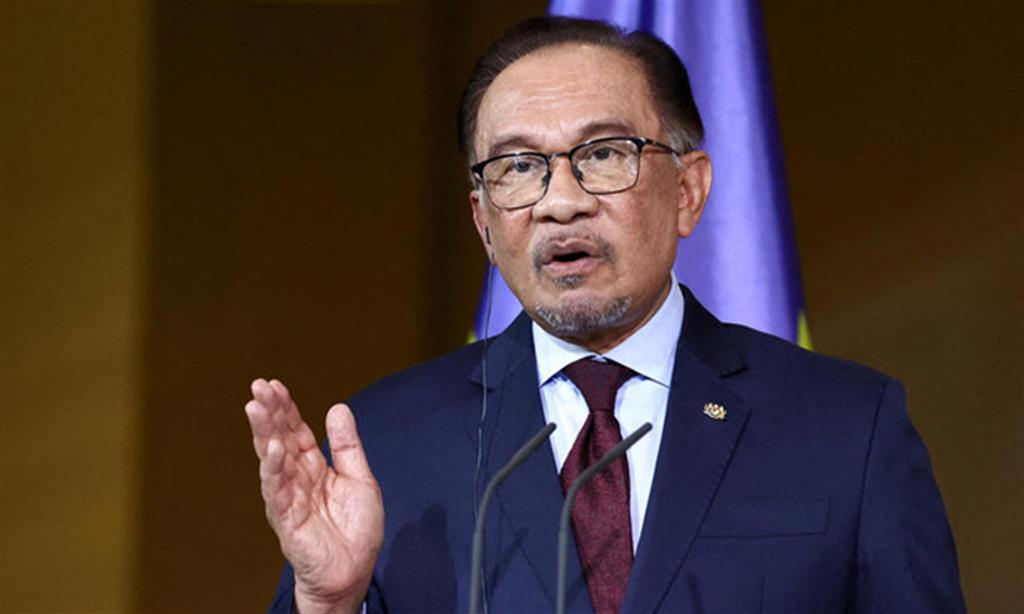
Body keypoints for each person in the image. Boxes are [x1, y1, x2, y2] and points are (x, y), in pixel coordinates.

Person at [244, 16, 965, 614]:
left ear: (688, 192)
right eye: (518, 167)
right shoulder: (387, 443)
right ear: (485, 222)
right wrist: (328, 603)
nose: (561, 202)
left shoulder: (847, 428)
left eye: (604, 154)